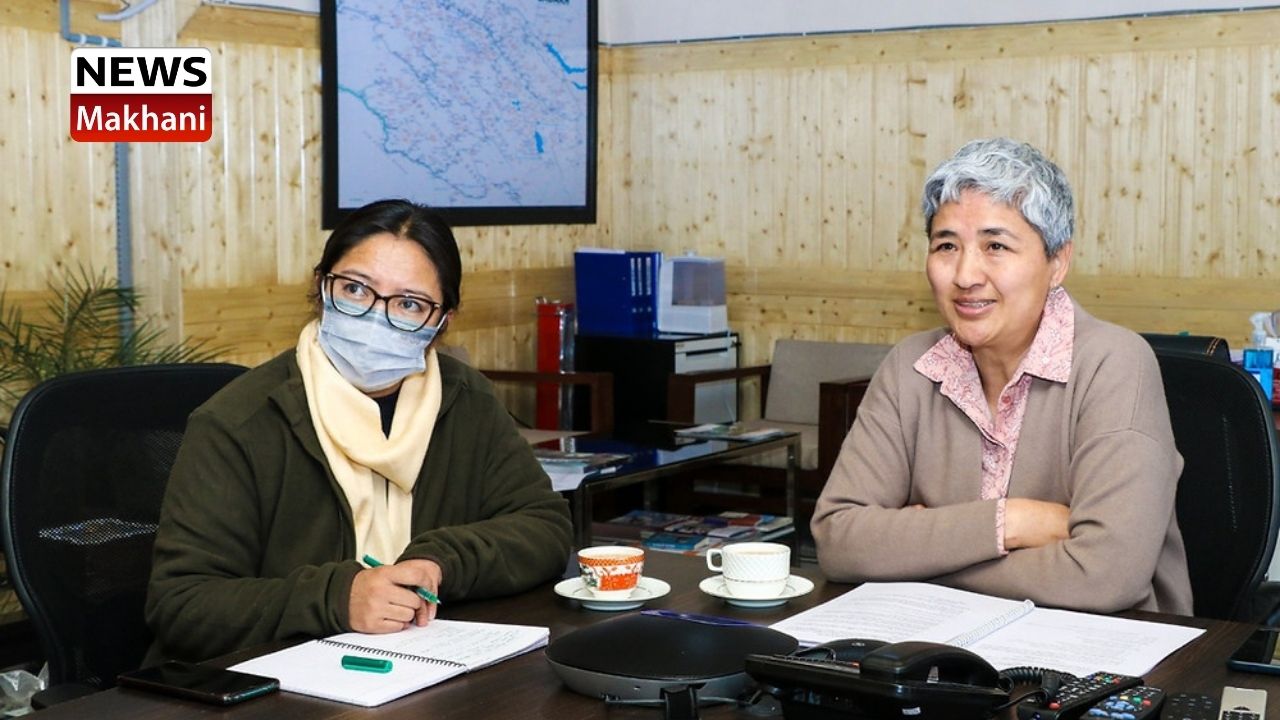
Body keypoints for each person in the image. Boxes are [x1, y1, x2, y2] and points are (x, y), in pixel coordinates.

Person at [145, 199, 573, 662]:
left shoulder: (465, 399)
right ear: (321, 286)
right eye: (355, 289)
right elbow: (182, 603)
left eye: (409, 303)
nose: (375, 317)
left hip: (417, 668)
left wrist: (438, 563)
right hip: (266, 684)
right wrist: (337, 598)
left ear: (442, 320)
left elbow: (544, 527)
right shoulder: (238, 422)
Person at [811, 138, 1192, 614]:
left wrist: (918, 554)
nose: (966, 274)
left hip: (1104, 656)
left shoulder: (1114, 363)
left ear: (1058, 262)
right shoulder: (911, 365)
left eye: (996, 245)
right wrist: (1012, 523)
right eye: (946, 245)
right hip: (953, 655)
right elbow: (838, 540)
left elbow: (1105, 576)